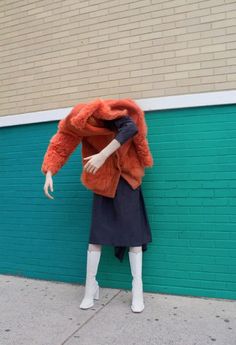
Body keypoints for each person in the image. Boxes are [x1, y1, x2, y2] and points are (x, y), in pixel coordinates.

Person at [42, 101, 153, 313]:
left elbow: (131, 128)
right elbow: (61, 143)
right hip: (103, 182)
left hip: (127, 179)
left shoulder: (110, 114)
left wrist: (103, 155)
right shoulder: (75, 122)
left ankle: (137, 289)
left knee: (134, 237)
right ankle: (90, 288)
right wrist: (49, 172)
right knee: (96, 238)